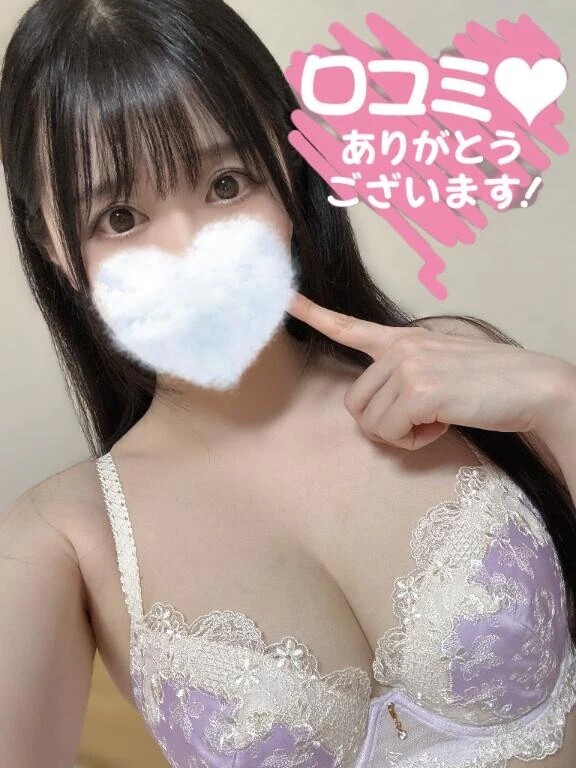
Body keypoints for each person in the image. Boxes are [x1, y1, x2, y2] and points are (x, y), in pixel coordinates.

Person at [1, 1, 575, 766]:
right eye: (121, 216)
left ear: (287, 165)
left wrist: (561, 399)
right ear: (52, 244)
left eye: (226, 183)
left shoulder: (451, 372)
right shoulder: (61, 539)